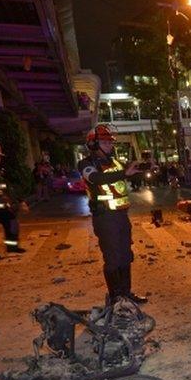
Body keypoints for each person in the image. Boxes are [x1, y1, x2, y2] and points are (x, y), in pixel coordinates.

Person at [78, 124, 147, 304]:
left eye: (110, 141)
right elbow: (96, 178)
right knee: (112, 258)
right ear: (92, 144)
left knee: (125, 254)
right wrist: (124, 172)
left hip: (121, 216)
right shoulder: (86, 164)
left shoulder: (115, 162)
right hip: (105, 217)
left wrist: (143, 169)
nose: (109, 145)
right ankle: (116, 298)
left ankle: (126, 294)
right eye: (104, 141)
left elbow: (128, 177)